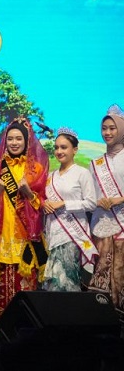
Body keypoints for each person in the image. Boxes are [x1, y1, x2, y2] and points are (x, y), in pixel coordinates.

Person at [0, 117, 48, 327]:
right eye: (10, 139)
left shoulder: (36, 169)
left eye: (18, 139)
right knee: (2, 291)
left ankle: (26, 336)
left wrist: (28, 193)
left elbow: (42, 204)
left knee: (25, 289)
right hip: (3, 235)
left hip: (26, 237)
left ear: (27, 141)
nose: (14, 143)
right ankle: (1, 335)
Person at [43, 128, 97, 291]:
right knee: (54, 284)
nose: (59, 151)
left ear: (75, 150)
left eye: (64, 147)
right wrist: (45, 204)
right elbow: (46, 200)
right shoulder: (50, 176)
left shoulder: (82, 173)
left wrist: (64, 204)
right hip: (53, 234)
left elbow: (91, 203)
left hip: (73, 236)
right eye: (56, 147)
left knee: (68, 283)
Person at [88, 105, 124, 313]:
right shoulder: (95, 163)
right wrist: (97, 200)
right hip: (102, 225)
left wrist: (120, 199)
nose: (107, 133)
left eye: (112, 128)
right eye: (104, 129)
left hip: (122, 223)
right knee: (101, 273)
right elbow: (89, 195)